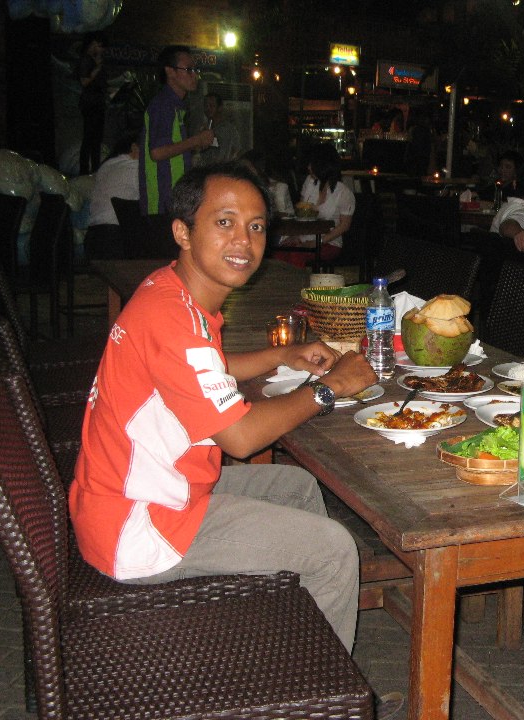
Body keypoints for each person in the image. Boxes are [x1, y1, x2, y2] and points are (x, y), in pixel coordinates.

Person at [69, 161, 378, 650]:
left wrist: (281, 355)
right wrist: (332, 387)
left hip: (137, 494)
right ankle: (313, 679)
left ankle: (287, 629)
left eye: (256, 226)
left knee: (296, 486)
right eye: (224, 222)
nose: (244, 241)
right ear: (183, 232)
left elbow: (201, 370)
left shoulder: (172, 293)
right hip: (142, 526)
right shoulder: (172, 319)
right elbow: (241, 438)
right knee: (334, 550)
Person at [139, 45, 215, 215]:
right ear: (170, 71)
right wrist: (195, 140)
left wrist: (197, 143)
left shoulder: (175, 106)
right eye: (188, 70)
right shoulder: (164, 104)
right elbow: (157, 152)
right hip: (161, 200)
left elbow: (173, 151)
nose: (194, 75)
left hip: (172, 198)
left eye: (195, 70)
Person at [274, 143, 354, 268]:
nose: (309, 167)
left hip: (329, 242)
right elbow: (301, 211)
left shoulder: (343, 193)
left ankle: (298, 281)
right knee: (279, 253)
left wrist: (318, 242)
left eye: (312, 164)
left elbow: (344, 226)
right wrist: (295, 235)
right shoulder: (310, 182)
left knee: (297, 255)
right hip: (304, 236)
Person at [84, 132, 140, 259]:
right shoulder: (135, 168)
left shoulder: (105, 166)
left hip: (93, 236)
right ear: (134, 147)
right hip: (114, 238)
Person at [77, 32, 109, 175]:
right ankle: (84, 170)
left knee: (96, 139)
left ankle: (96, 169)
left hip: (98, 103)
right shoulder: (85, 60)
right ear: (92, 44)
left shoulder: (95, 60)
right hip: (90, 104)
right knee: (89, 138)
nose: (101, 50)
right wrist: (96, 69)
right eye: (99, 46)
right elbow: (84, 81)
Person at [197, 93, 242, 165]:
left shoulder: (228, 129)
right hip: (206, 169)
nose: (208, 109)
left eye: (212, 106)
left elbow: (235, 151)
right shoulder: (203, 128)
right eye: (206, 106)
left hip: (222, 168)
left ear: (220, 108)